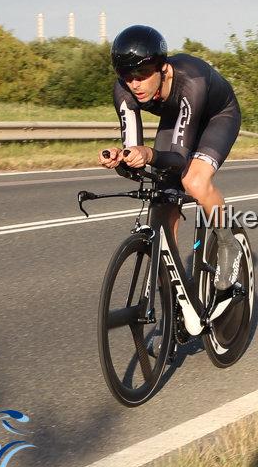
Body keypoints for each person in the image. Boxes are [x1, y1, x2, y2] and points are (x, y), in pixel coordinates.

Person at [99, 24, 242, 290]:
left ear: (163, 68)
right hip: (177, 118)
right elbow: (136, 157)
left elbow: (177, 158)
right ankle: (174, 288)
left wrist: (149, 153)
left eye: (142, 73)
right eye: (126, 75)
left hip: (217, 117)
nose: (135, 84)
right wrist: (123, 159)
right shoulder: (124, 91)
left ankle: (227, 242)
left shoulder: (191, 80)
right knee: (163, 198)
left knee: (194, 181)